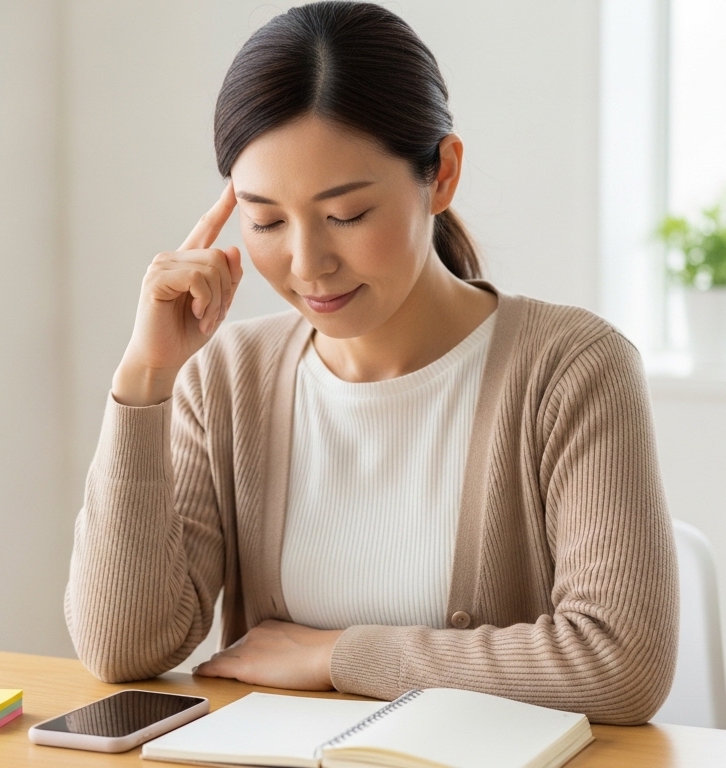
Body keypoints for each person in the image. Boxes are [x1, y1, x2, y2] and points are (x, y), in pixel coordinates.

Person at [65, 1, 678, 725]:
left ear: (441, 175)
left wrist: (338, 656)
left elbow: (621, 664)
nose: (307, 263)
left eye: (347, 215)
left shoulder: (571, 369)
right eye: (265, 220)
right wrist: (144, 380)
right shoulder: (227, 377)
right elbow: (122, 647)